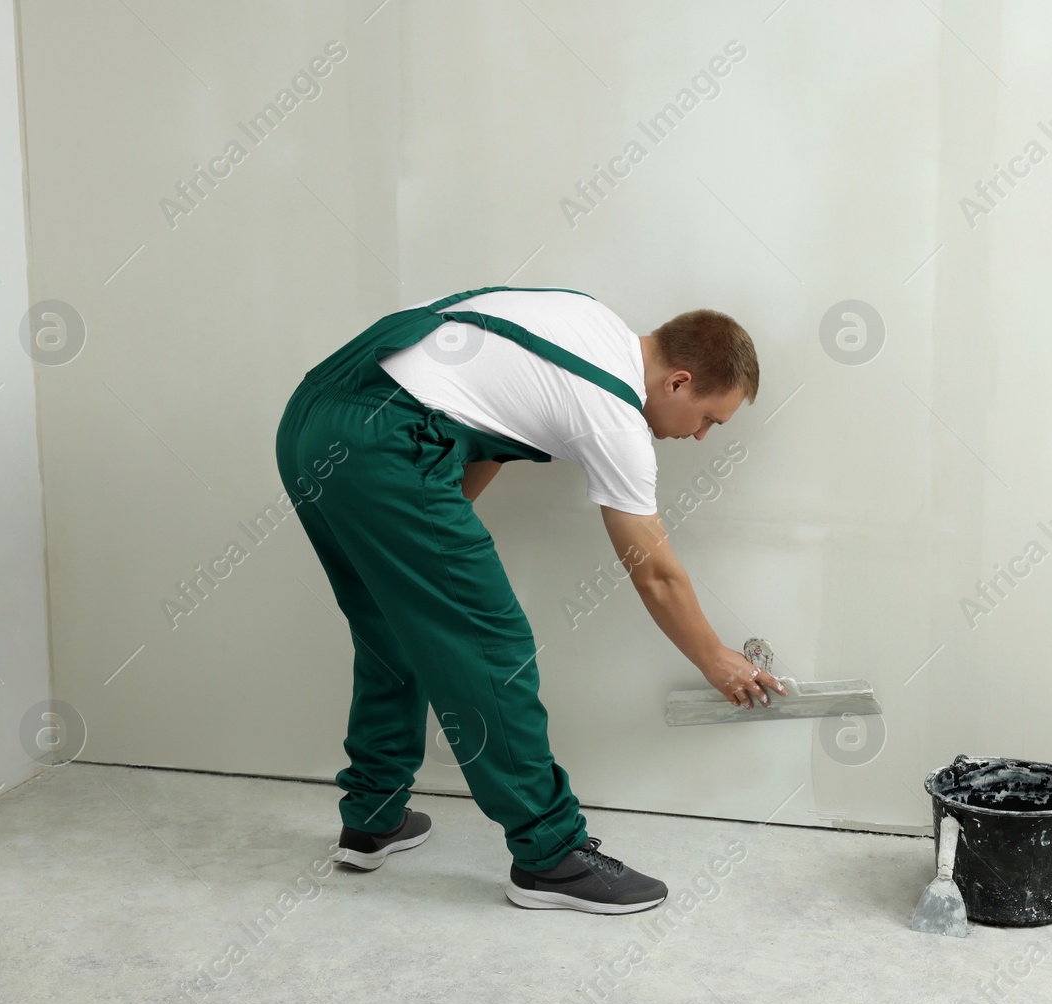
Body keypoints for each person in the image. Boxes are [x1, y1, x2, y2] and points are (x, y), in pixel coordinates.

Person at [274, 285, 786, 914]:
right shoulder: (614, 412)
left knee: (393, 625)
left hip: (316, 416)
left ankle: (372, 816)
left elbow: (480, 427)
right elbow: (655, 572)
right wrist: (713, 656)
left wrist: (428, 554)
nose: (704, 436)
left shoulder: (586, 319)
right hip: (387, 442)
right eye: (711, 418)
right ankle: (551, 857)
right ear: (679, 382)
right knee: (493, 646)